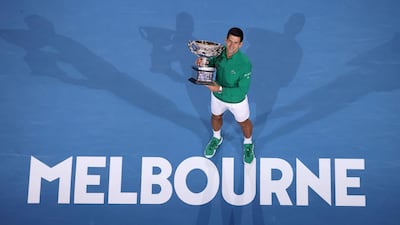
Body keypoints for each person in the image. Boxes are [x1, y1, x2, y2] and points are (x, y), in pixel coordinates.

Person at [197, 27, 254, 164]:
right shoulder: (218, 51)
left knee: (244, 123)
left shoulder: (245, 64)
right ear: (225, 40)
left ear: (240, 45)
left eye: (235, 43)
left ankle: (248, 143)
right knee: (216, 116)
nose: (231, 46)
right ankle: (217, 137)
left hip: (237, 100)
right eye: (229, 41)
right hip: (217, 96)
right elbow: (211, 63)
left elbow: (242, 91)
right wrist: (203, 63)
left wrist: (220, 88)